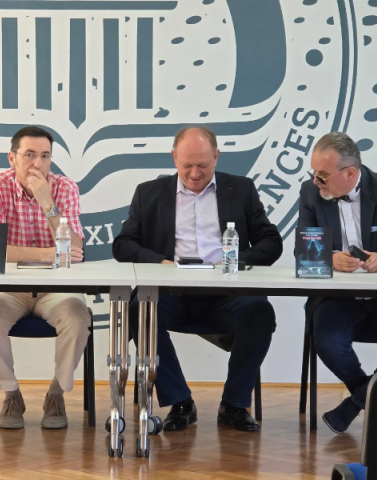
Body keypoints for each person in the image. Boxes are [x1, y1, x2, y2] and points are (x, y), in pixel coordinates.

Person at [113, 126, 282, 432]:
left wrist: (234, 262)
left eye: (203, 165)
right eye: (187, 165)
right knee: (140, 310)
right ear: (174, 158)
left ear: (216, 157)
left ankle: (234, 404)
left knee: (260, 312)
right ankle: (180, 402)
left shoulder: (241, 189)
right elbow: (123, 244)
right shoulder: (149, 193)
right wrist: (160, 262)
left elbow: (271, 242)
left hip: (227, 294)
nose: (194, 174)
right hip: (172, 293)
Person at [298, 131, 377, 433]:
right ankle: (372, 397)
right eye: (314, 173)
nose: (316, 181)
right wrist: (330, 258)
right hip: (339, 299)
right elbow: (303, 252)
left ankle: (353, 404)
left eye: (323, 175)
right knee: (328, 341)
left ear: (350, 173)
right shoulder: (311, 193)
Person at [0, 126, 90, 429]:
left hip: (56, 288)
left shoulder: (65, 188)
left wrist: (47, 203)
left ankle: (56, 394)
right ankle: (11, 395)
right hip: (9, 288)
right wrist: (46, 254)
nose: (37, 163)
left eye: (44, 156)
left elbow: (75, 249)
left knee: (78, 316)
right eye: (29, 155)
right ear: (12, 158)